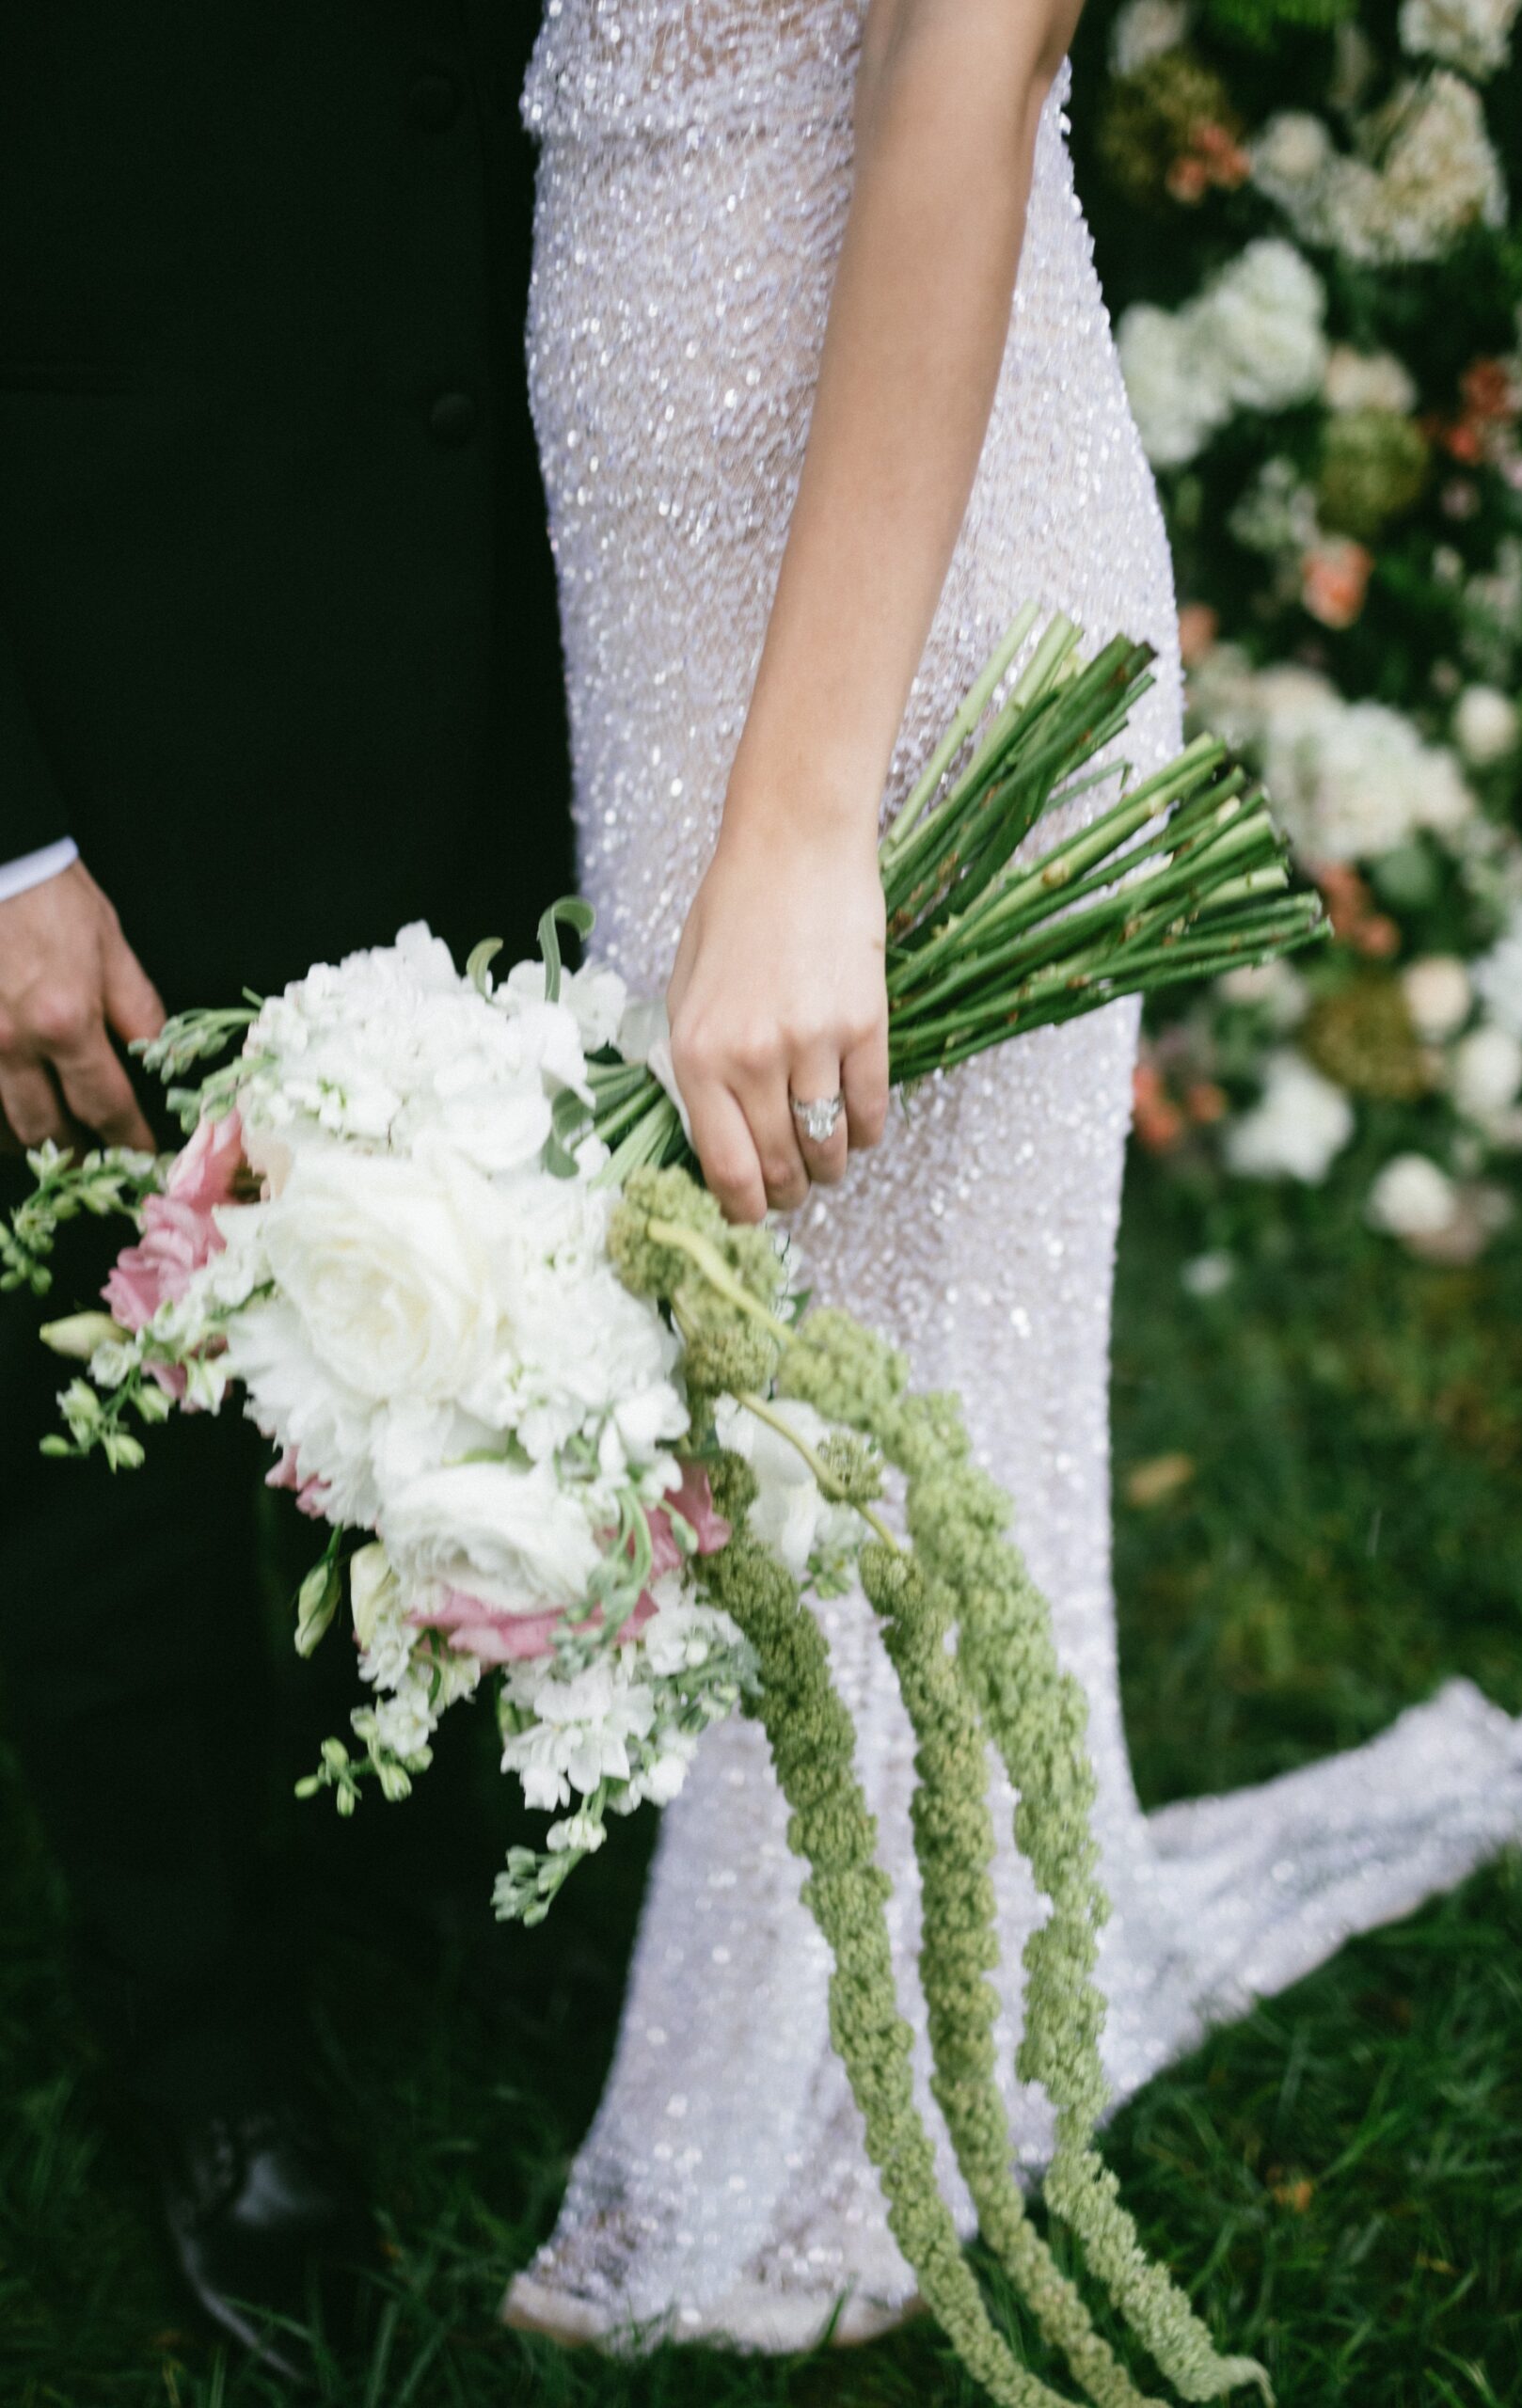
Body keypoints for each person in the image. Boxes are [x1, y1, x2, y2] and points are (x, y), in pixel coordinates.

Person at [507, 0, 1522, 2349]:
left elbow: (966, 72)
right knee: (776, 1351)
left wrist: (805, 822)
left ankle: (872, 2069)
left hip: (878, 562)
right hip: (664, 494)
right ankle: (852, 2008)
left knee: (876, 1363)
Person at [0, 4, 570, 2378]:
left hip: (513, 614)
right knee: (93, 1418)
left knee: (483, 1275)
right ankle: (200, 2024)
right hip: (113, 647)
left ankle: (430, 1839)